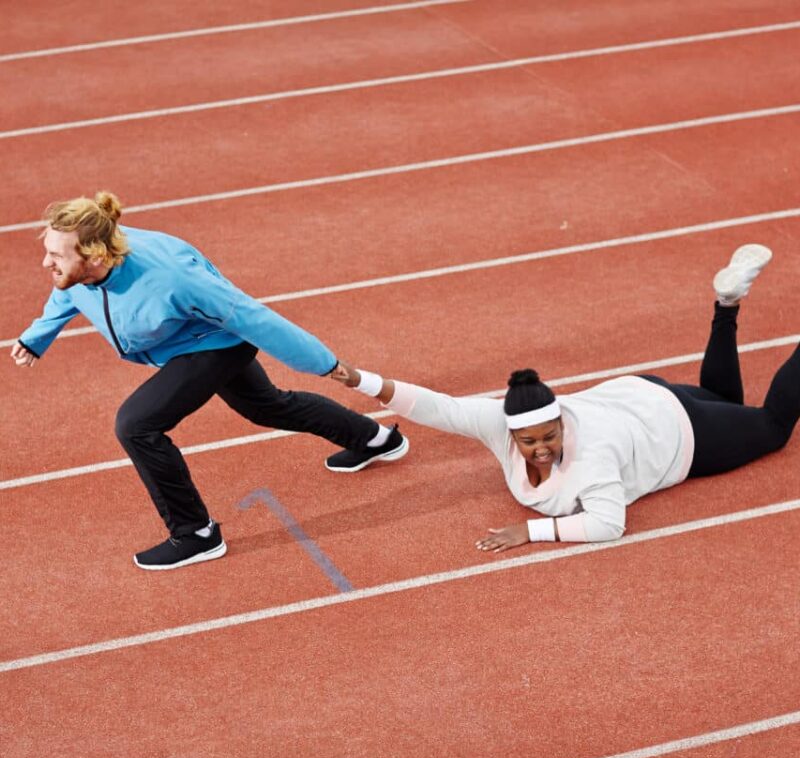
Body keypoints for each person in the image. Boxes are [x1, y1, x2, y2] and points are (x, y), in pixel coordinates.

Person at [10, 191, 408, 570]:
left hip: (217, 344)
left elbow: (253, 317)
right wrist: (38, 335)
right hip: (184, 343)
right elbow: (68, 289)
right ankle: (374, 439)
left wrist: (325, 363)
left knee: (136, 425)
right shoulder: (86, 265)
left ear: (95, 254)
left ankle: (196, 534)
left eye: (55, 255)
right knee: (267, 407)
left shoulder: (173, 279)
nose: (46, 264)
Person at [332, 244, 799, 552]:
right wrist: (363, 381)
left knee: (772, 427)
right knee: (723, 397)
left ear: (561, 425)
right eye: (529, 440)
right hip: (640, 396)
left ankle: (733, 309)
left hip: (679, 433)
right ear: (509, 431)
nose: (540, 447)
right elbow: (439, 407)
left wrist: (530, 533)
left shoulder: (590, 459)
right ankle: (727, 302)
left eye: (549, 437)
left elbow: (609, 524)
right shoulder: (500, 421)